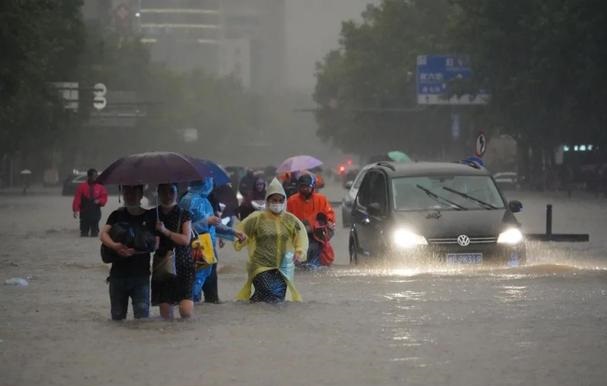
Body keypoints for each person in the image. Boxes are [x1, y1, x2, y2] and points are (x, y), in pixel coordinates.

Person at [234, 178, 308, 303]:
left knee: (275, 300)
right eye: (274, 200)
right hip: (261, 266)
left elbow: (301, 238)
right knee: (270, 292)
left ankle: (257, 311)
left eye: (280, 200)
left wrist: (299, 252)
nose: (277, 203)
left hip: (282, 268)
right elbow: (240, 234)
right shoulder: (256, 218)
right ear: (267, 200)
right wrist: (241, 240)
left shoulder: (291, 220)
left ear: (284, 201)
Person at [179, 177, 244, 303]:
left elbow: (214, 224)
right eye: (209, 181)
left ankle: (208, 317)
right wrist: (206, 221)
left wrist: (233, 232)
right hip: (195, 249)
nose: (211, 184)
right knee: (194, 291)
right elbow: (183, 229)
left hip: (209, 250)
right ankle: (190, 317)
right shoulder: (188, 201)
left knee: (212, 298)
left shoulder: (205, 201)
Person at [100, 185, 157, 321]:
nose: (130, 196)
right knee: (117, 319)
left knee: (142, 319)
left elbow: (155, 244)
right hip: (118, 276)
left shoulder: (150, 216)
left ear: (141, 194)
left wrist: (142, 248)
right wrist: (115, 246)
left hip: (141, 276)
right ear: (123, 194)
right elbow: (103, 234)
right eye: (127, 192)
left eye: (134, 192)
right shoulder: (116, 215)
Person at [152, 183, 195, 320]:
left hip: (183, 262)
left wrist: (165, 231)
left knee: (185, 312)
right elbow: (151, 244)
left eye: (171, 191)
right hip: (162, 264)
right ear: (158, 193)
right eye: (164, 192)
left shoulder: (184, 214)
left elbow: (185, 240)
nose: (168, 195)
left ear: (176, 193)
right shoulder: (153, 214)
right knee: (166, 315)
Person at [287, 174, 336, 268]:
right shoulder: (292, 201)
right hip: (298, 236)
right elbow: (287, 219)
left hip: (317, 235)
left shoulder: (321, 199)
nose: (305, 189)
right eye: (302, 186)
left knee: (318, 255)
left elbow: (329, 215)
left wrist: (328, 223)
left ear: (312, 186)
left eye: (307, 187)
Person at [72, 169, 108, 237]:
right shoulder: (81, 187)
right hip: (84, 213)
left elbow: (104, 197)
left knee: (94, 234)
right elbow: (77, 199)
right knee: (84, 234)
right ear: (89, 176)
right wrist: (75, 210)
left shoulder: (100, 187)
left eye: (96, 176)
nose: (96, 177)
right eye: (94, 176)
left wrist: (99, 201)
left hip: (95, 213)